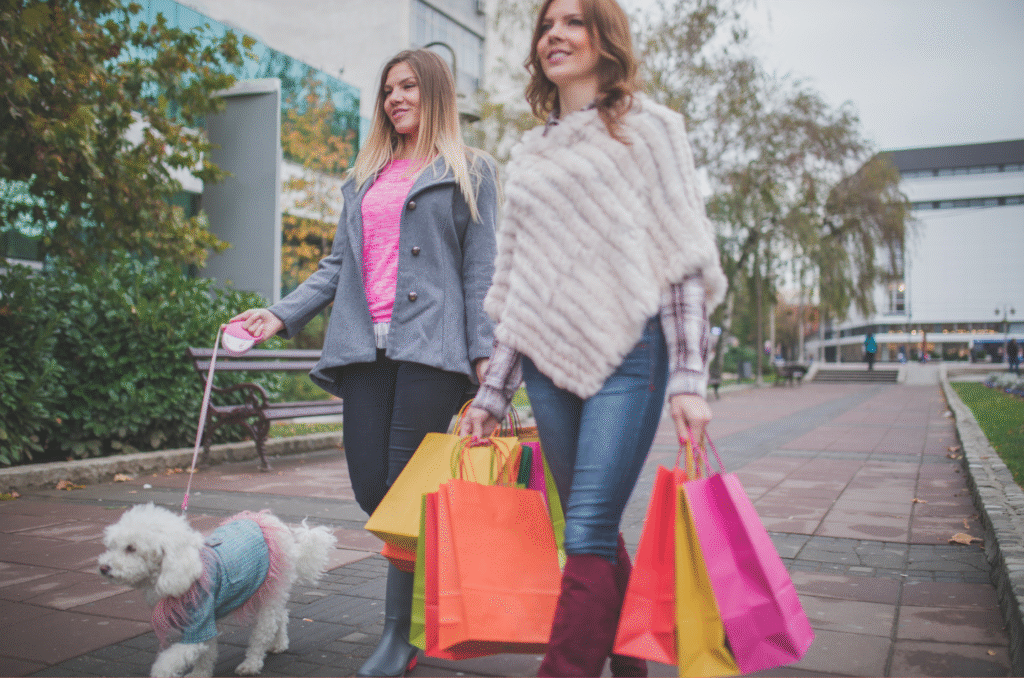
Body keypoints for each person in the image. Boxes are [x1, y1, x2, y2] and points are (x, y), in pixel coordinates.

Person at [459, 0, 727, 674]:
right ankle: (630, 667)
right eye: (548, 25)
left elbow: (682, 262)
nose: (556, 34)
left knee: (583, 533)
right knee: (595, 529)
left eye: (574, 21)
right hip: (547, 368)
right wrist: (493, 394)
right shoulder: (532, 155)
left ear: (606, 38)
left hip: (631, 357)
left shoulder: (652, 131)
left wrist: (690, 381)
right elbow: (518, 289)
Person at [232, 49, 499, 677]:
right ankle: (429, 597)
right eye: (387, 91)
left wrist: (486, 356)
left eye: (407, 87)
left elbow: (481, 269)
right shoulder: (363, 176)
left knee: (405, 494)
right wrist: (278, 314)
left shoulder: (473, 170)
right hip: (364, 349)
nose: (395, 99)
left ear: (434, 92)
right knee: (372, 490)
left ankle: (399, 637)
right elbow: (335, 266)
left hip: (431, 352)